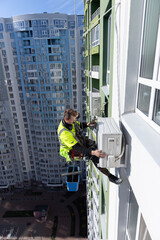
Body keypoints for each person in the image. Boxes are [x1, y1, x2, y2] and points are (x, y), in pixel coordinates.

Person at [57, 109, 122, 184]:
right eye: (72, 120)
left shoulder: (71, 122)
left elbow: (78, 125)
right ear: (66, 119)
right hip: (73, 151)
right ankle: (111, 177)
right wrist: (93, 152)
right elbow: (77, 148)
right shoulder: (64, 133)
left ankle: (111, 154)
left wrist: (87, 124)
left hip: (78, 141)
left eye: (74, 119)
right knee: (94, 157)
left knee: (94, 145)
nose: (74, 121)